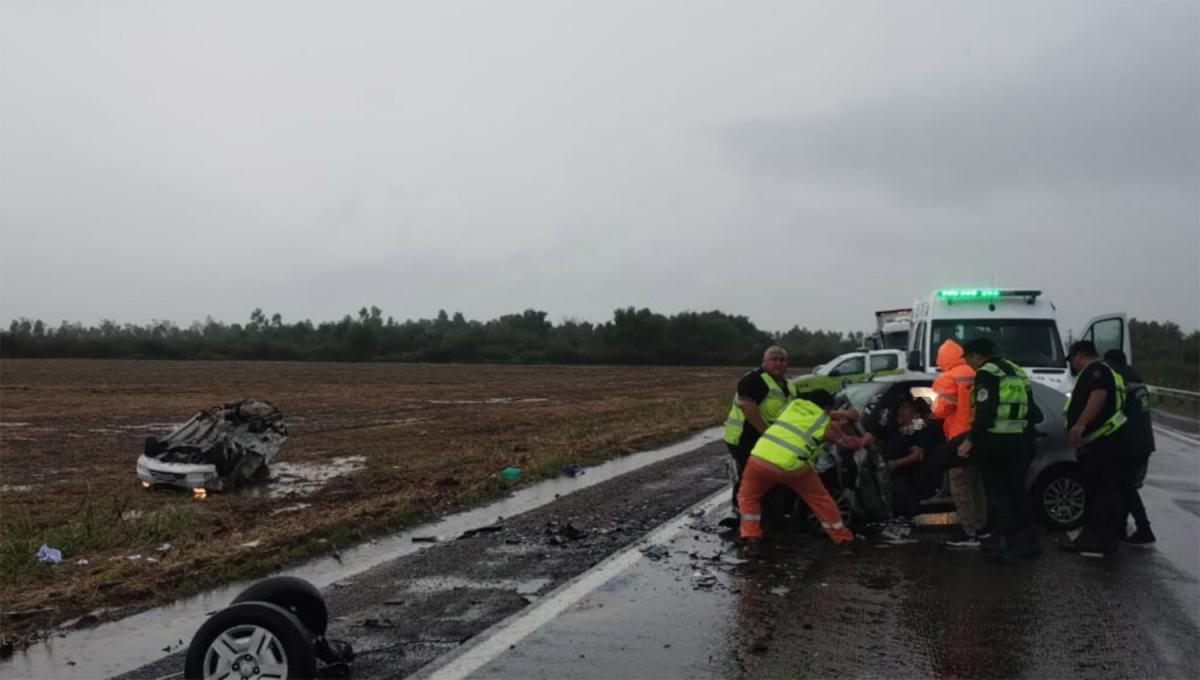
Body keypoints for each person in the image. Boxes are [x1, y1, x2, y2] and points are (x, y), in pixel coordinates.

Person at [738, 389, 874, 555]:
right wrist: (864, 440)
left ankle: (752, 538)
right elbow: (846, 442)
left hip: (760, 461)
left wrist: (842, 415)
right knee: (820, 500)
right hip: (794, 467)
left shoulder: (791, 407)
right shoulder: (824, 423)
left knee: (748, 497)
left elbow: (815, 416)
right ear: (826, 408)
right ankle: (842, 538)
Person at [958, 338, 1039, 565]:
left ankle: (1006, 545)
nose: (969, 364)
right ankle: (1028, 542)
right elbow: (1032, 409)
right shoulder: (1016, 371)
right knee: (1018, 493)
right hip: (1020, 441)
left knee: (999, 495)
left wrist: (971, 440)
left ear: (975, 356)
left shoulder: (987, 373)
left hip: (996, 442)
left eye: (968, 359)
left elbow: (986, 410)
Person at [1061, 341, 1129, 557]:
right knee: (1105, 492)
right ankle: (1104, 541)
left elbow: (1098, 397)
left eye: (1072, 359)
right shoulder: (1107, 371)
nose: (1073, 364)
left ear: (1080, 355)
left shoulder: (1096, 372)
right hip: (1107, 441)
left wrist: (1080, 423)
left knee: (1099, 493)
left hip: (1102, 443)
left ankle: (1096, 542)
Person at [722, 346, 799, 527]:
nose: (778, 363)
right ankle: (741, 516)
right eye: (774, 359)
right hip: (744, 438)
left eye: (782, 360)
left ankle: (765, 516)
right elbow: (746, 405)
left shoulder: (788, 386)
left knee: (764, 477)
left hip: (767, 442)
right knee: (751, 476)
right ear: (764, 361)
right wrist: (765, 432)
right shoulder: (754, 380)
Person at [930, 339, 989, 548]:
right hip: (978, 435)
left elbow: (940, 410)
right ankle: (981, 527)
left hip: (958, 439)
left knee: (960, 487)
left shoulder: (947, 378)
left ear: (943, 359)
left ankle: (968, 532)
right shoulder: (976, 372)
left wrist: (922, 416)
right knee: (976, 485)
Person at [1104, 349, 1157, 546]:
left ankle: (1144, 529)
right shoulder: (1138, 381)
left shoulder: (1122, 384)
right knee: (1126, 485)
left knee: (1125, 487)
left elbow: (1116, 413)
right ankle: (1120, 528)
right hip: (1145, 442)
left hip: (1130, 443)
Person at [883, 396, 943, 518]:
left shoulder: (921, 430)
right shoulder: (904, 429)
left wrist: (896, 463)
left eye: (905, 408)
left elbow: (917, 455)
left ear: (915, 414)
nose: (900, 411)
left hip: (908, 475)